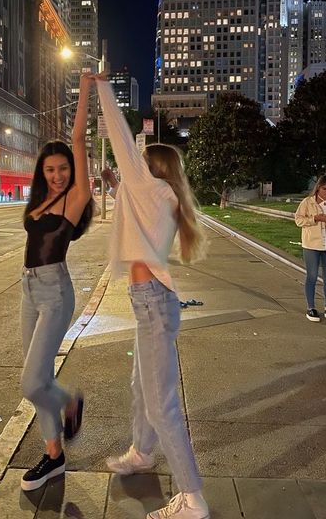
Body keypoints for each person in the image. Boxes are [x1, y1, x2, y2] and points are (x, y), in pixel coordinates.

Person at [96, 76, 209, 519]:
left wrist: (102, 87)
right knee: (140, 388)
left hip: (152, 304)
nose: (133, 168)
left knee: (162, 405)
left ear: (153, 167)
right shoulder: (161, 195)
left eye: (140, 164)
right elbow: (131, 203)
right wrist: (114, 181)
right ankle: (142, 453)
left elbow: (121, 137)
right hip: (151, 301)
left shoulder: (151, 189)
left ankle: (193, 498)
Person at [20, 74, 95, 492]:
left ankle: (70, 401)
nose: (57, 175)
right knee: (38, 375)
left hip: (55, 291)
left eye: (63, 167)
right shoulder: (41, 198)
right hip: (28, 288)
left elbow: (79, 137)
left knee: (32, 383)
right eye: (50, 169)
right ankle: (54, 457)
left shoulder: (75, 198)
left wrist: (84, 88)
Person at [295, 175, 326, 322]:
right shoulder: (308, 202)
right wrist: (315, 219)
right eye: (324, 189)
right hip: (312, 243)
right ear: (318, 187)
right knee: (312, 275)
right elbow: (298, 220)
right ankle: (311, 307)